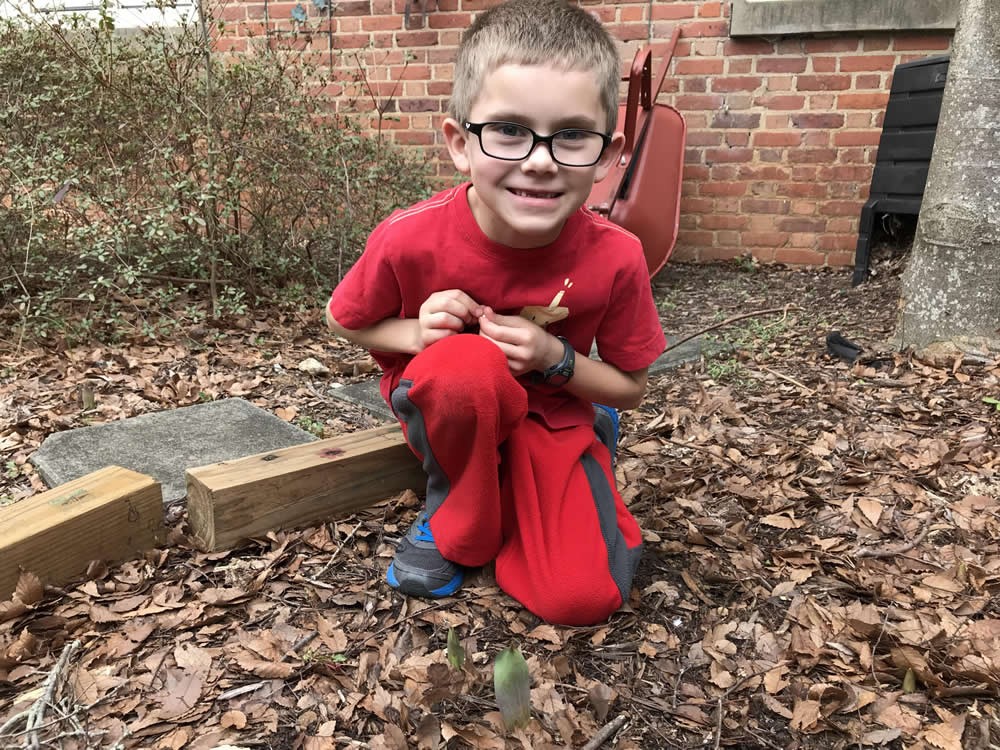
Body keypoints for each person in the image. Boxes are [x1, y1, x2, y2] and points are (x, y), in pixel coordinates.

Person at [325, 0, 666, 626]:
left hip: (554, 410)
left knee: (579, 599)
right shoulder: (410, 237)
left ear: (609, 154)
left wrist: (556, 360)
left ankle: (568, 465)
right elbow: (344, 319)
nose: (539, 159)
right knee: (465, 369)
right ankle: (455, 507)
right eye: (508, 129)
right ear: (460, 143)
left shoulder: (617, 256)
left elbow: (631, 387)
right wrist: (417, 332)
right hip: (452, 404)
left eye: (570, 135)